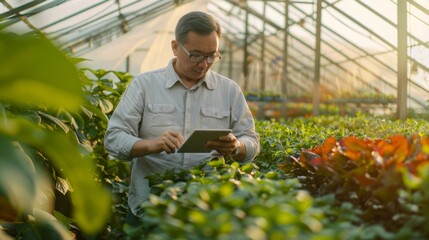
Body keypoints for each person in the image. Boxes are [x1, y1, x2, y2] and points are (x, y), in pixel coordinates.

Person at [104, 11, 260, 224]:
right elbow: (113, 138)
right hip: (149, 206)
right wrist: (151, 145)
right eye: (196, 55)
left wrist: (237, 146)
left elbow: (252, 140)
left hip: (207, 210)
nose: (204, 64)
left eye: (211, 55)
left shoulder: (229, 91)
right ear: (175, 47)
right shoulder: (144, 86)